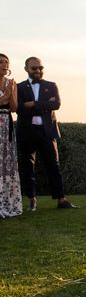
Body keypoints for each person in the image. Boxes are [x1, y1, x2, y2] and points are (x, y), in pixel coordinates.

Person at [16, 57, 77, 210]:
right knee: (27, 167)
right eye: (34, 68)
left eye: (40, 68)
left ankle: (61, 200)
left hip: (46, 132)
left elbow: (56, 104)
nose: (38, 71)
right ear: (26, 69)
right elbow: (20, 109)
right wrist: (44, 106)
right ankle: (31, 200)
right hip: (26, 132)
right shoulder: (19, 87)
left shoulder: (51, 85)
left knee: (53, 166)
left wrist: (34, 104)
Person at [0, 54, 22, 217]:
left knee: (6, 162)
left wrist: (12, 92)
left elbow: (14, 107)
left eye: (7, 62)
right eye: (1, 62)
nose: (4, 65)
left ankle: (8, 203)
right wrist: (6, 94)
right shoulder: (7, 87)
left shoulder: (11, 83)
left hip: (7, 122)